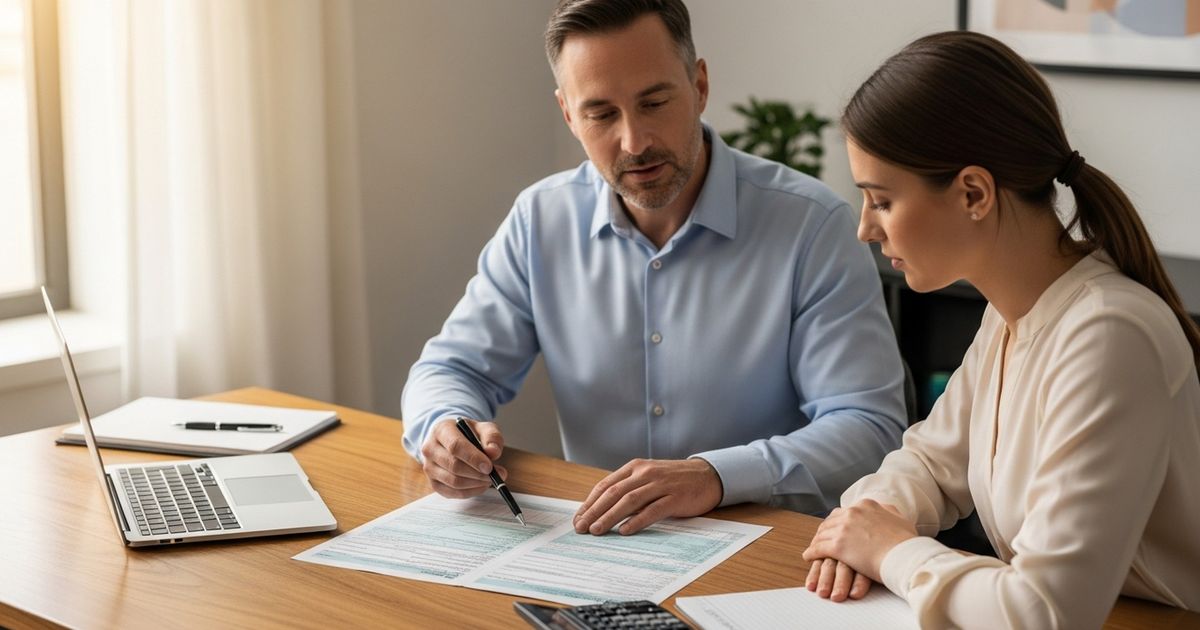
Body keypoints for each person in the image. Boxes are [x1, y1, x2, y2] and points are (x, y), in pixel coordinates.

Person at [400, 0, 906, 536]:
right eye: (600, 114)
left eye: (655, 102)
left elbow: (868, 429)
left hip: (763, 549)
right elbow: (450, 369)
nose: (634, 142)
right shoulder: (540, 219)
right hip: (596, 545)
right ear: (569, 115)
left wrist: (714, 475)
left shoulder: (811, 224)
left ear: (700, 85)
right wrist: (444, 430)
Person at [801, 31, 1200, 628]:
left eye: (881, 201)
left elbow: (1044, 611)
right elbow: (931, 464)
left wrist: (890, 551)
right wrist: (861, 526)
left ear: (973, 193)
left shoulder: (1109, 335)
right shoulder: (1010, 315)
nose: (866, 229)